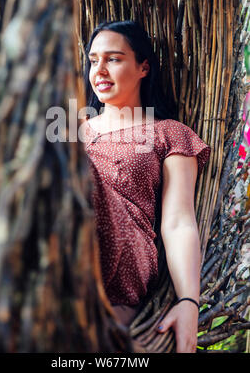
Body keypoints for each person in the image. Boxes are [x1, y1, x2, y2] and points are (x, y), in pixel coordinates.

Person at [81, 20, 211, 353]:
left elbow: (178, 222)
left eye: (114, 59)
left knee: (78, 173)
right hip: (68, 250)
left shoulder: (169, 133)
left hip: (126, 254)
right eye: (94, 60)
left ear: (143, 67)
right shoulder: (70, 130)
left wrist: (188, 302)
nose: (100, 70)